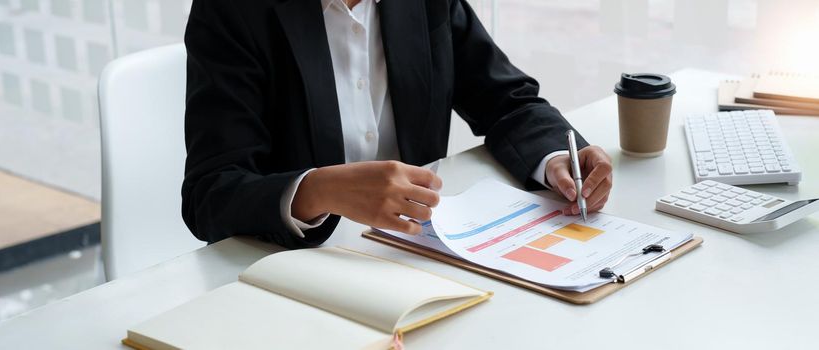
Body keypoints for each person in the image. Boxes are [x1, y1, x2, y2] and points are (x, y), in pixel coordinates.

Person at [181, 0, 613, 248]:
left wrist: (557, 156)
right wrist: (318, 190)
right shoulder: (233, 10)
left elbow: (505, 98)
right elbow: (210, 193)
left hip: (419, 252)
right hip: (296, 264)